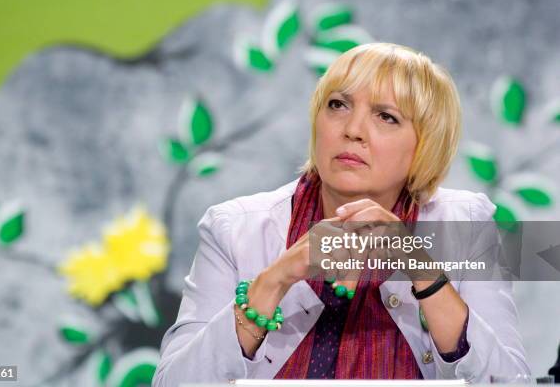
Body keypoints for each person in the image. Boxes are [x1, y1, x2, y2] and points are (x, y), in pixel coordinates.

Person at [152, 43, 530, 385]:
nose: (352, 130)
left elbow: (512, 382)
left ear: (425, 145)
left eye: (386, 116)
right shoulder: (234, 226)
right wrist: (275, 280)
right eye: (338, 105)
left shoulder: (464, 224)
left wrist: (420, 266)